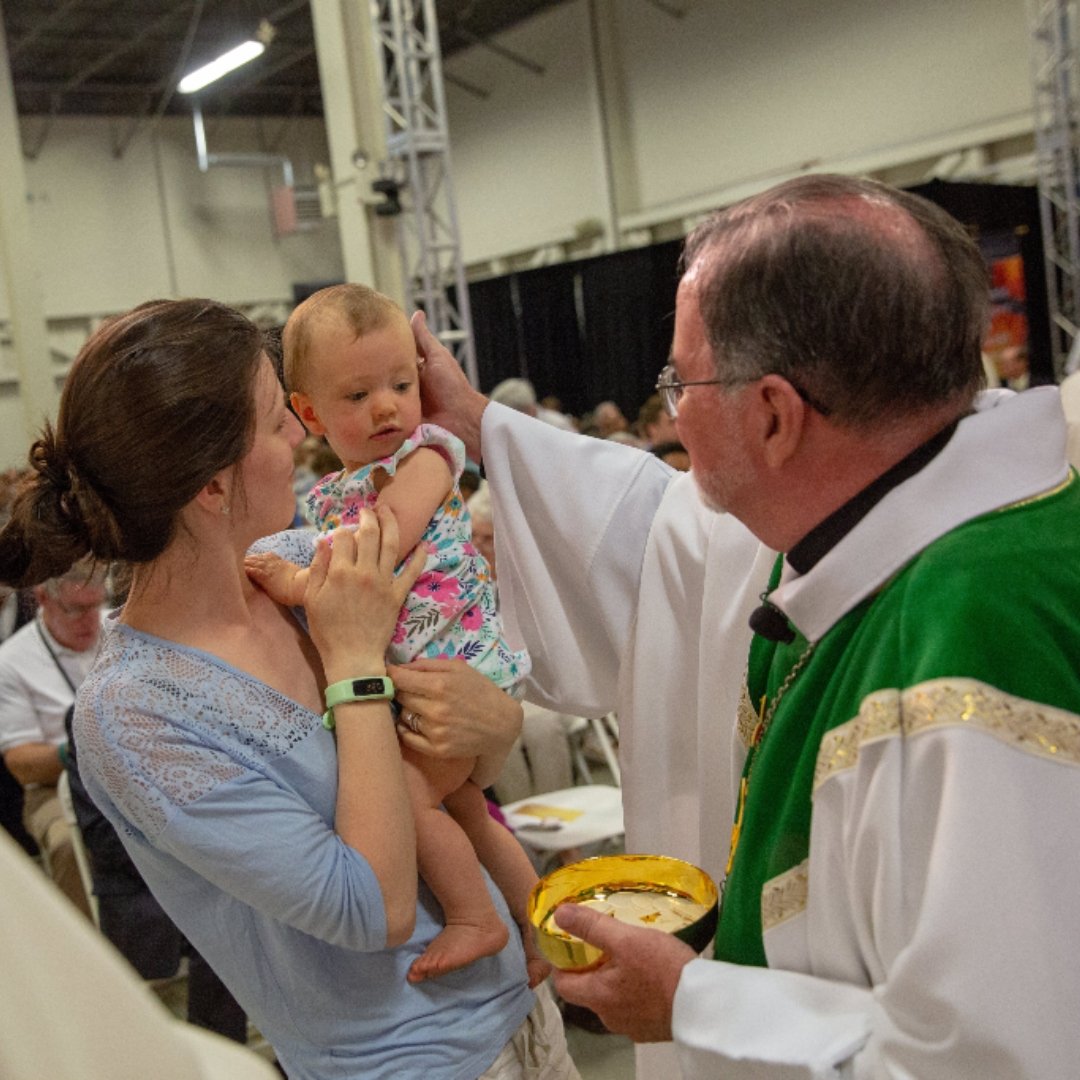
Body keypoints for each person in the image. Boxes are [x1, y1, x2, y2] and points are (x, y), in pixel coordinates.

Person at [412, 174, 1080, 1078]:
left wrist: (691, 1002)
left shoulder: (969, 643)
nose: (674, 412)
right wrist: (486, 430)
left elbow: (997, 1058)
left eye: (679, 380)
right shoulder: (910, 486)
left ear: (773, 414)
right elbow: (665, 538)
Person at [0, 298, 578, 1080]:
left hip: (521, 1002)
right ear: (212, 486)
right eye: (278, 422)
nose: (302, 438)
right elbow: (371, 906)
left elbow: (467, 749)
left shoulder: (307, 561)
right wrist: (353, 662)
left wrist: (496, 723)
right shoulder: (135, 713)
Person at [248, 283, 543, 987]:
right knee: (465, 807)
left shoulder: (426, 458)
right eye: (357, 396)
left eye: (401, 384)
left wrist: (295, 584)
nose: (386, 405)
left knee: (414, 800)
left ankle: (477, 917)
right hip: (423, 674)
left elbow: (383, 542)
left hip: (458, 663)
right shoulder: (332, 495)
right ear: (309, 414)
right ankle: (536, 929)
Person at [63, 705, 249, 1044]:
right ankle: (217, 1052)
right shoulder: (93, 718)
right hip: (146, 883)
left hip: (228, 870)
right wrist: (198, 854)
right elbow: (104, 838)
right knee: (227, 918)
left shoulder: (211, 708)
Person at [0, 558, 106, 918]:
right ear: (43, 598)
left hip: (125, 774)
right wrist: (76, 751)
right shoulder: (11, 661)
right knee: (66, 844)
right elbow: (21, 765)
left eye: (96, 605)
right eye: (76, 609)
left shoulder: (117, 631)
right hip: (53, 786)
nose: (90, 620)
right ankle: (87, 955)